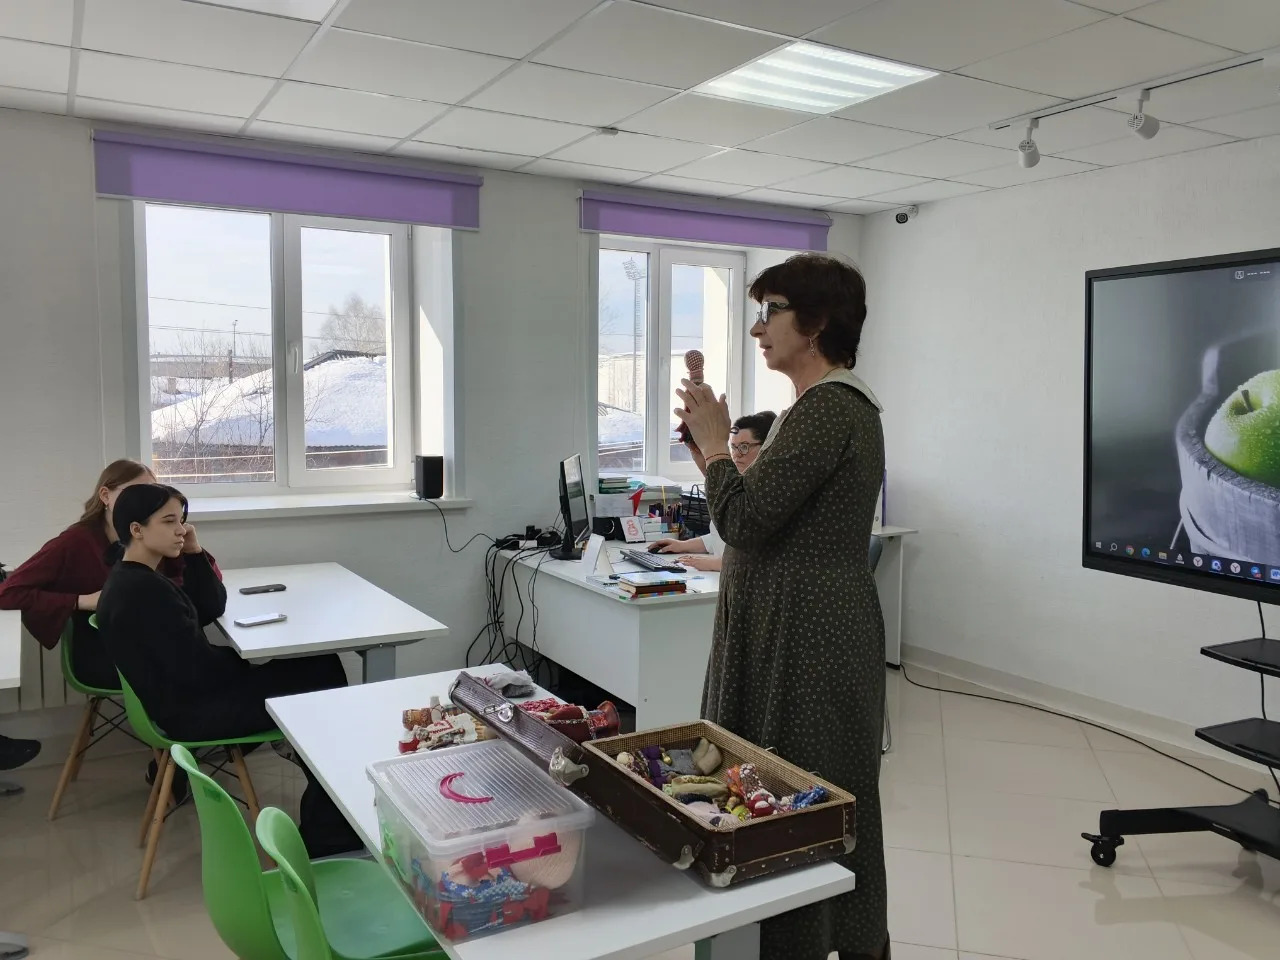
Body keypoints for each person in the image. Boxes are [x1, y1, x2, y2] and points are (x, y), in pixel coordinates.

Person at [675, 253, 888, 960]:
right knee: (773, 794)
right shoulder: (812, 409)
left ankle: (813, 943)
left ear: (817, 323)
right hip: (791, 630)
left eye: (772, 312)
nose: (758, 328)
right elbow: (761, 513)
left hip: (811, 642)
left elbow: (745, 522)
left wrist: (716, 449)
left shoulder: (831, 408)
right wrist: (710, 448)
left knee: (805, 805)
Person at [96, 483, 361, 856]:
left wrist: (193, 552)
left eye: (182, 520)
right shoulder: (144, 592)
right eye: (169, 521)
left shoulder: (135, 577)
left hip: (186, 700)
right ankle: (326, 831)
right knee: (320, 679)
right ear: (136, 529)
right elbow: (197, 672)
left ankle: (323, 803)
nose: (181, 530)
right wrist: (247, 663)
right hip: (194, 711)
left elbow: (209, 606)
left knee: (319, 666)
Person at [0, 459, 215, 691]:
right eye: (134, 492)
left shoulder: (156, 534)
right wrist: (81, 600)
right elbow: (8, 593)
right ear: (105, 496)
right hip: (106, 653)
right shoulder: (75, 541)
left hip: (154, 643)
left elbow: (208, 590)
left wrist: (193, 552)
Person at [650, 411, 777, 572]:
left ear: (766, 447)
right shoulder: (737, 484)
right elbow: (721, 538)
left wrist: (712, 564)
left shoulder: (769, 493)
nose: (737, 455)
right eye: (733, 447)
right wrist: (682, 545)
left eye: (744, 447)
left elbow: (762, 557)